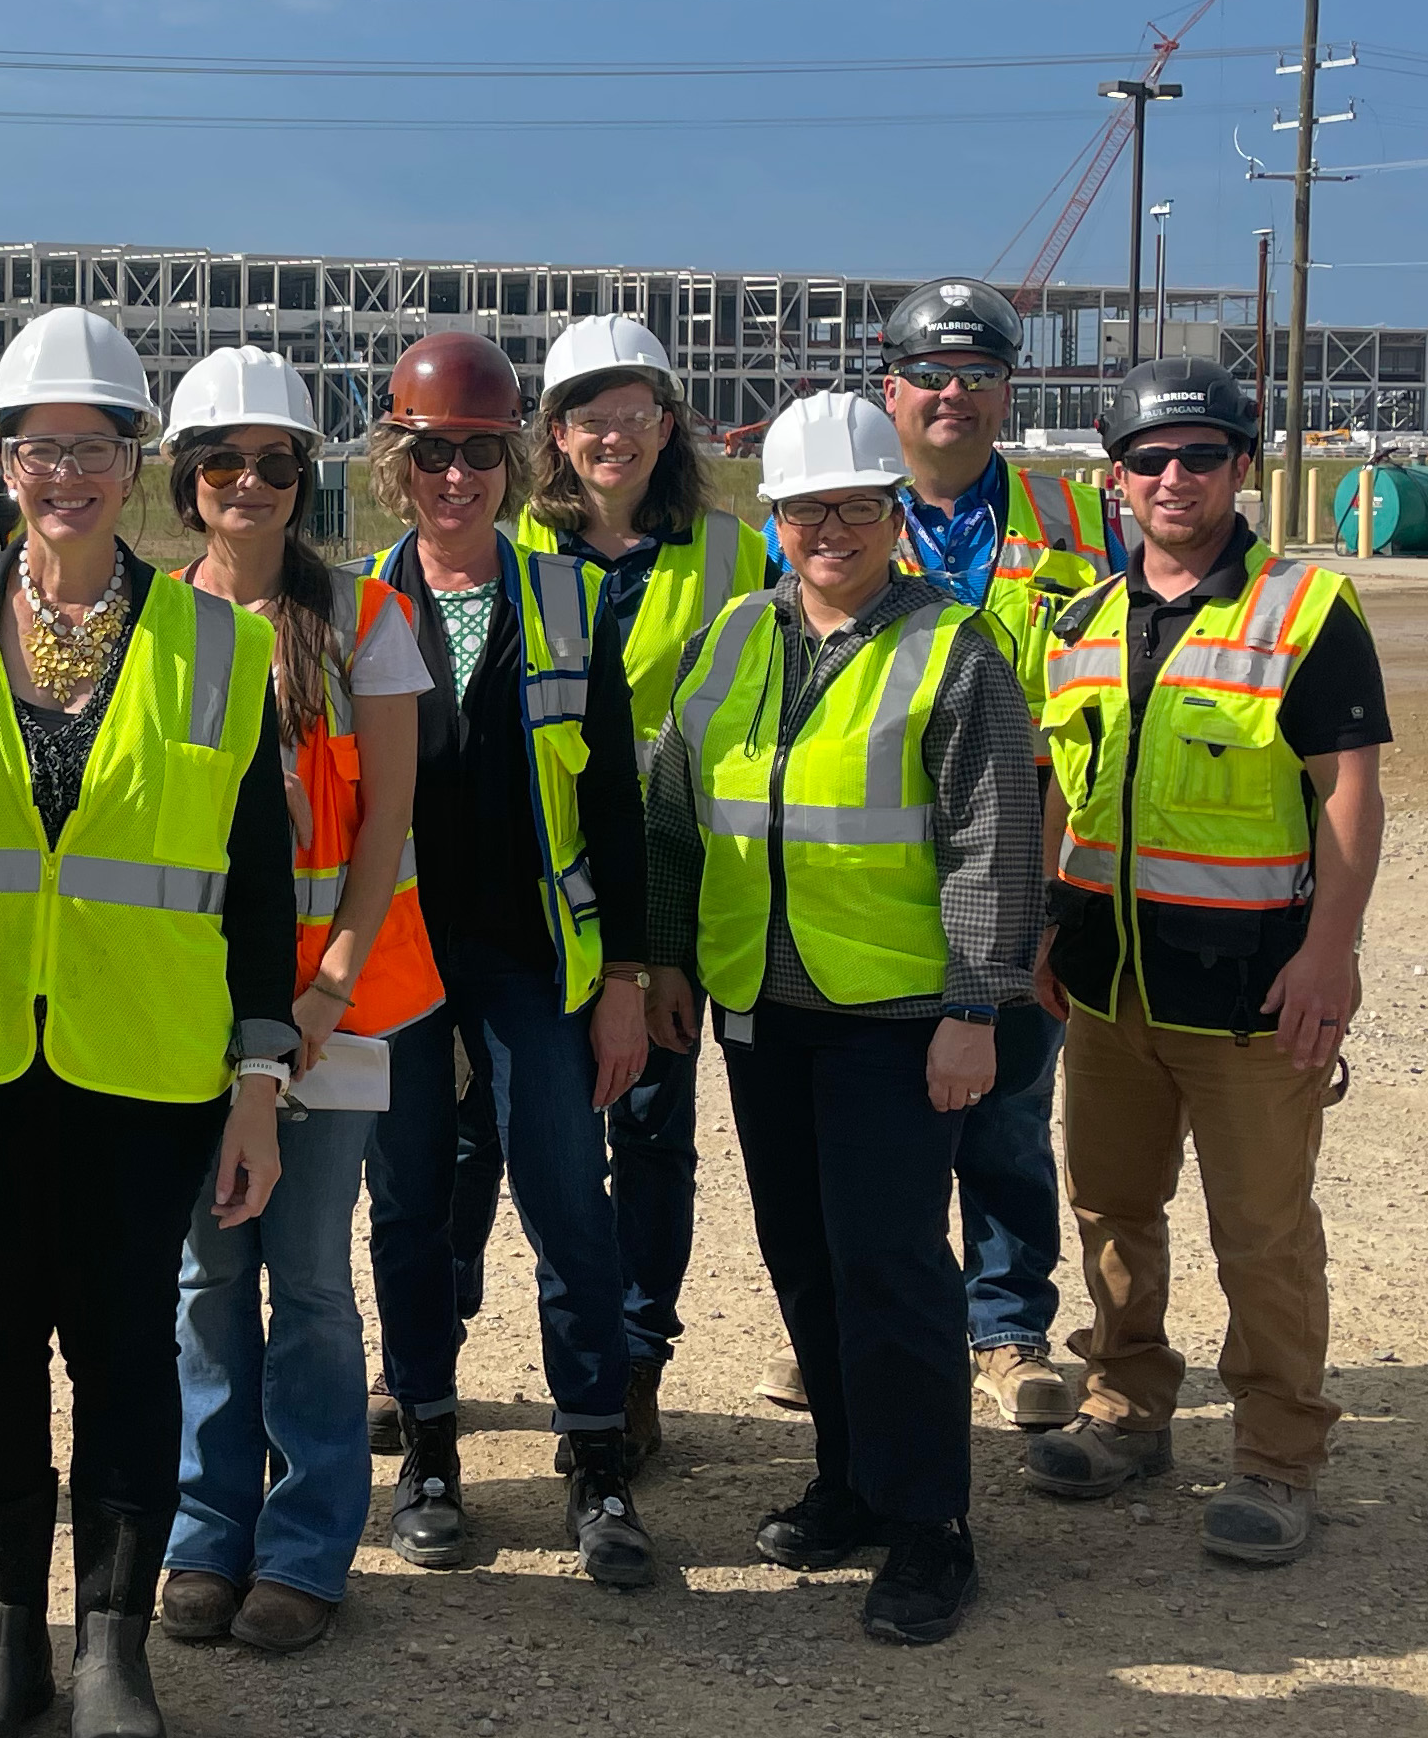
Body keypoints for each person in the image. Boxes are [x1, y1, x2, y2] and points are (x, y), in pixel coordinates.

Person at [0, 306, 295, 1738]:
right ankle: (6, 1635)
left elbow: (257, 889)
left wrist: (258, 1082)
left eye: (94, 446)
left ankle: (112, 1644)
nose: (65, 475)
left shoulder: (220, 646)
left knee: (122, 1348)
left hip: (147, 1064)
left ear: (134, 461)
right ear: (0, 460)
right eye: (38, 447)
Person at [644, 391, 1042, 1646]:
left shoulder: (952, 646)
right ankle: (853, 1478)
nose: (832, 528)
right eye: (807, 507)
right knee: (805, 1256)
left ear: (893, 514)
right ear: (774, 517)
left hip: (897, 1011)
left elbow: (995, 839)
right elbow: (674, 815)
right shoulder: (732, 639)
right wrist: (667, 959)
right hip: (762, 1005)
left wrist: (974, 1003)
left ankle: (931, 1522)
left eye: (858, 506)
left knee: (891, 1263)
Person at [1020, 358, 1389, 1569]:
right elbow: (1059, 790)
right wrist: (1043, 926)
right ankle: (1127, 1405)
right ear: (1114, 478)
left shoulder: (1305, 610)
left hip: (1251, 994)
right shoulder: (1077, 621)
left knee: (1262, 1232)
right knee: (1111, 1209)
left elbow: (1348, 792)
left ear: (1241, 465)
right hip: (1109, 986)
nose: (1173, 478)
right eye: (1149, 459)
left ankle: (1278, 1454)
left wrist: (1330, 955)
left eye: (1200, 455)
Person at [361, 330, 659, 1591]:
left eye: (481, 452)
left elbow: (616, 811)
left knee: (568, 1201)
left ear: (513, 461)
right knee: (410, 1205)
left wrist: (626, 981)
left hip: (534, 961)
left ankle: (595, 1454)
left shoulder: (570, 600)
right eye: (434, 452)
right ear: (398, 461)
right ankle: (429, 1450)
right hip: (395, 960)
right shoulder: (354, 605)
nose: (457, 477)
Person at [157, 347, 437, 1657]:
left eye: (275, 461)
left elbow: (386, 822)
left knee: (311, 1277)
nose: (249, 482)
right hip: (189, 1008)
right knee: (205, 1271)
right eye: (223, 460)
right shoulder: (156, 625)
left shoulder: (366, 621)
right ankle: (203, 1530)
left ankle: (309, 1540)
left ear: (303, 478)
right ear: (187, 479)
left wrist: (328, 982)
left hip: (338, 1008)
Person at [502, 312, 765, 1469]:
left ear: (668, 425)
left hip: (672, 885)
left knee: (652, 1131)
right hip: (533, 884)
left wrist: (664, 943)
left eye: (635, 414)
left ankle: (634, 1357)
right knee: (492, 1134)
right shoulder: (507, 544)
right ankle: (428, 1355)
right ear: (555, 434)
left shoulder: (733, 554)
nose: (614, 436)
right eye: (589, 417)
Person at [876, 277, 1115, 1436]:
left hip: (1027, 843)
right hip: (877, 858)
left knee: (1011, 1102)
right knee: (880, 1104)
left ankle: (1007, 1327)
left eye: (977, 375)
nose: (952, 395)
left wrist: (1066, 876)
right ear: (891, 389)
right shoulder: (836, 507)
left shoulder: (1078, 520)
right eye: (930, 374)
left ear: (1008, 390)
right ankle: (880, 1316)